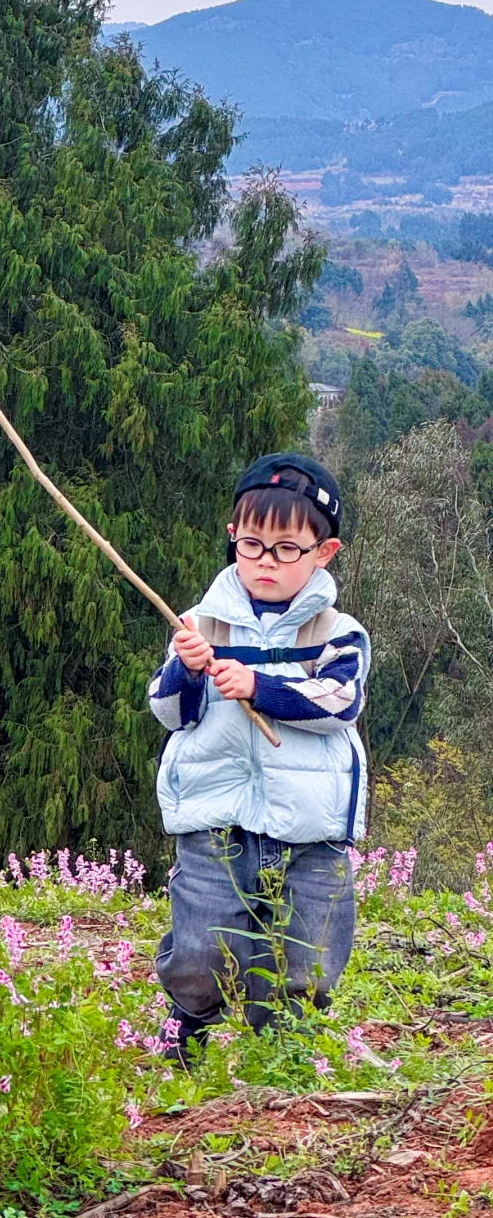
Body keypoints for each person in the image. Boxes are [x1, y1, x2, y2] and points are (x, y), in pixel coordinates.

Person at [149, 452, 370, 1057]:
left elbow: (340, 702)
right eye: (252, 545)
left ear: (324, 552)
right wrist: (187, 672)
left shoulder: (336, 632)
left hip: (311, 821)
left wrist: (258, 687)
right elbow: (170, 714)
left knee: (308, 949)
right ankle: (183, 1036)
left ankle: (285, 1054)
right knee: (202, 946)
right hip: (215, 812)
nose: (266, 562)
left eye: (286, 549)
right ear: (233, 540)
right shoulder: (199, 624)